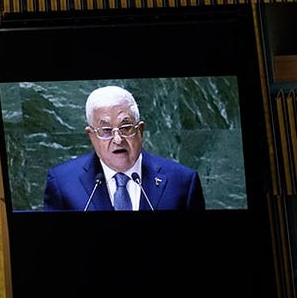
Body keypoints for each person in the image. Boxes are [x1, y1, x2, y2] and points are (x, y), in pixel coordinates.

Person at [43, 85, 204, 212]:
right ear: (91, 135)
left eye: (126, 127)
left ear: (140, 130)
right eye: (106, 131)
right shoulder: (63, 183)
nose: (118, 139)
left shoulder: (183, 182)